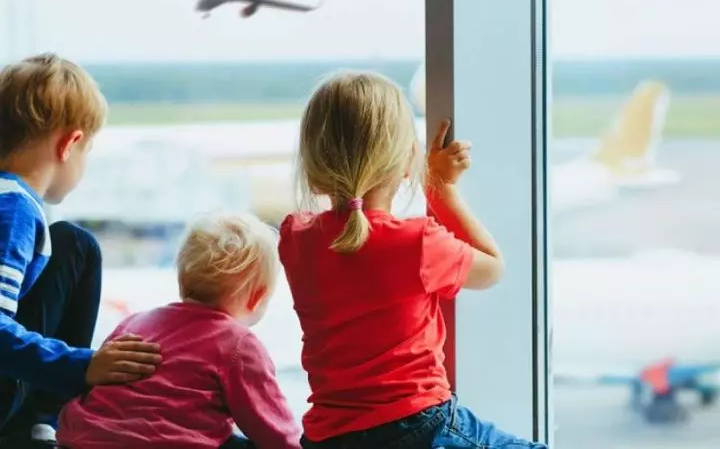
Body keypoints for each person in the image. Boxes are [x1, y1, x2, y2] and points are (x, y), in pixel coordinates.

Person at [278, 71, 548, 448]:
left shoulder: (295, 240)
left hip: (329, 438)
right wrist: (442, 190)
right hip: (417, 427)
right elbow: (492, 267)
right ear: (406, 162)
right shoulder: (416, 242)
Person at [0, 53, 162, 446]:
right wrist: (83, 365)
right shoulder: (15, 208)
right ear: (70, 143)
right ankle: (41, 423)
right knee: (78, 246)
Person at [57, 212, 302, 449]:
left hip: (83, 438)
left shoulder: (135, 323)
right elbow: (275, 432)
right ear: (257, 298)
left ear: (182, 280)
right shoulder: (238, 344)